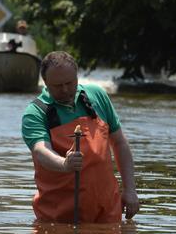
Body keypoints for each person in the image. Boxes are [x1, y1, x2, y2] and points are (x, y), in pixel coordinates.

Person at [21, 51, 140, 223]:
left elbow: (119, 142)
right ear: (45, 83)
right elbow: (41, 151)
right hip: (59, 216)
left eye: (70, 83)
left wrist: (130, 189)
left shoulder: (97, 95)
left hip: (107, 209)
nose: (65, 90)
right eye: (57, 85)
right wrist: (64, 164)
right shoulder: (35, 113)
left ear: (77, 76)